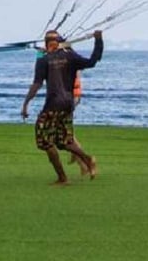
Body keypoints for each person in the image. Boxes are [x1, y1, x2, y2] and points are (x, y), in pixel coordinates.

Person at [20, 29, 102, 185]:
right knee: (63, 141)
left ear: (46, 43)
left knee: (45, 141)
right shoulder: (70, 56)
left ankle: (63, 178)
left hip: (53, 105)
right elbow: (92, 61)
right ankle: (88, 159)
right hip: (68, 105)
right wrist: (98, 41)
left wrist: (25, 104)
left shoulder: (43, 60)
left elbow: (37, 84)